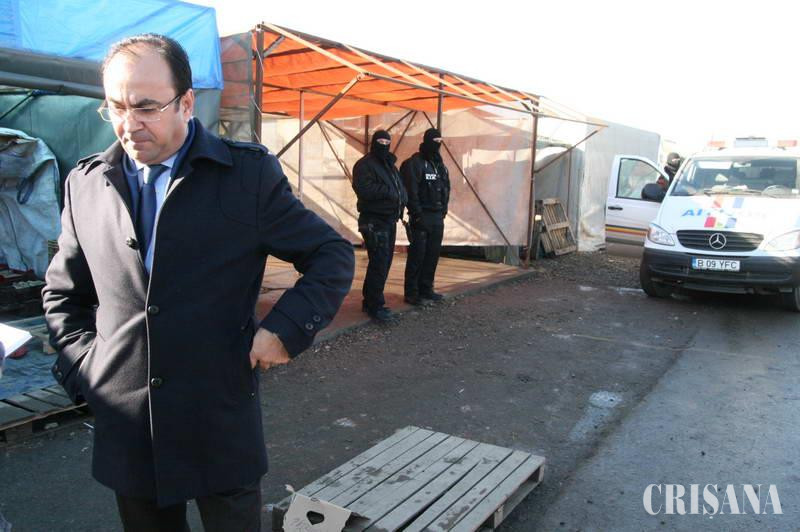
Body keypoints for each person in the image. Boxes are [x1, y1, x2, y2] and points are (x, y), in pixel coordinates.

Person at [42, 34, 354, 532]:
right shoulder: (87, 184)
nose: (129, 124)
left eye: (147, 107)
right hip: (129, 424)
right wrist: (86, 369)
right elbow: (64, 294)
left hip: (218, 414)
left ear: (186, 103)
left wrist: (286, 329)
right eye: (116, 107)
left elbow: (330, 254)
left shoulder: (245, 176)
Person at [352, 130, 407, 322]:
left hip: (389, 219)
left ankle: (371, 301)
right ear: (374, 142)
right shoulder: (365, 165)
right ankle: (375, 305)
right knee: (379, 262)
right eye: (380, 141)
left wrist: (402, 197)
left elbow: (399, 187)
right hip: (374, 221)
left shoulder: (389, 165)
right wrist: (390, 192)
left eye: (387, 142)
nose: (384, 145)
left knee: (383, 262)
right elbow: (364, 189)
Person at [400, 128, 450, 305]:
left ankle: (426, 289)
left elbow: (446, 188)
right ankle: (412, 293)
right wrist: (417, 214)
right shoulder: (415, 163)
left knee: (432, 255)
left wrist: (443, 210)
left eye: (439, 141)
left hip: (437, 216)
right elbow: (410, 191)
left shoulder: (440, 165)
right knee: (417, 255)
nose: (437, 144)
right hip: (422, 216)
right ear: (426, 141)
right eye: (434, 141)